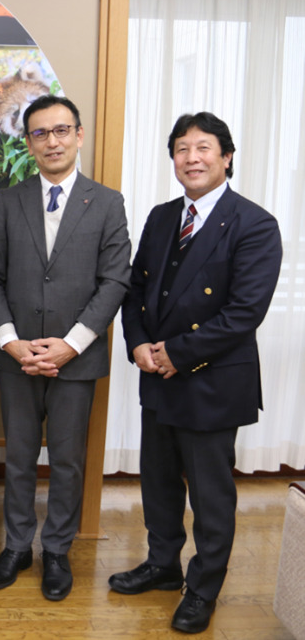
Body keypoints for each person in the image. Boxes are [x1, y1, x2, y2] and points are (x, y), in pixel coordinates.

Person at [111, 112, 281, 634]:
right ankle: (162, 565)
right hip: (157, 375)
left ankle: (202, 587)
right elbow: (137, 290)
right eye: (182, 149)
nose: (192, 158)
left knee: (210, 495)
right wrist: (137, 343)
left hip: (211, 381)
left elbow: (243, 313)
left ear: (226, 157)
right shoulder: (163, 217)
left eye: (203, 147)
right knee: (158, 483)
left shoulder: (254, 223)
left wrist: (175, 354)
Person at [0, 95, 131, 601]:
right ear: (28, 143)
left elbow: (115, 282)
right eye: (40, 133)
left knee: (67, 462)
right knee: (19, 458)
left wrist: (71, 344)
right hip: (18, 357)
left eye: (61, 130)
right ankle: (16, 547)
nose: (52, 141)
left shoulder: (107, 202)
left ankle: (58, 550)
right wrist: (10, 342)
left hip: (76, 359)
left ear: (79, 135)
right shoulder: (7, 201)